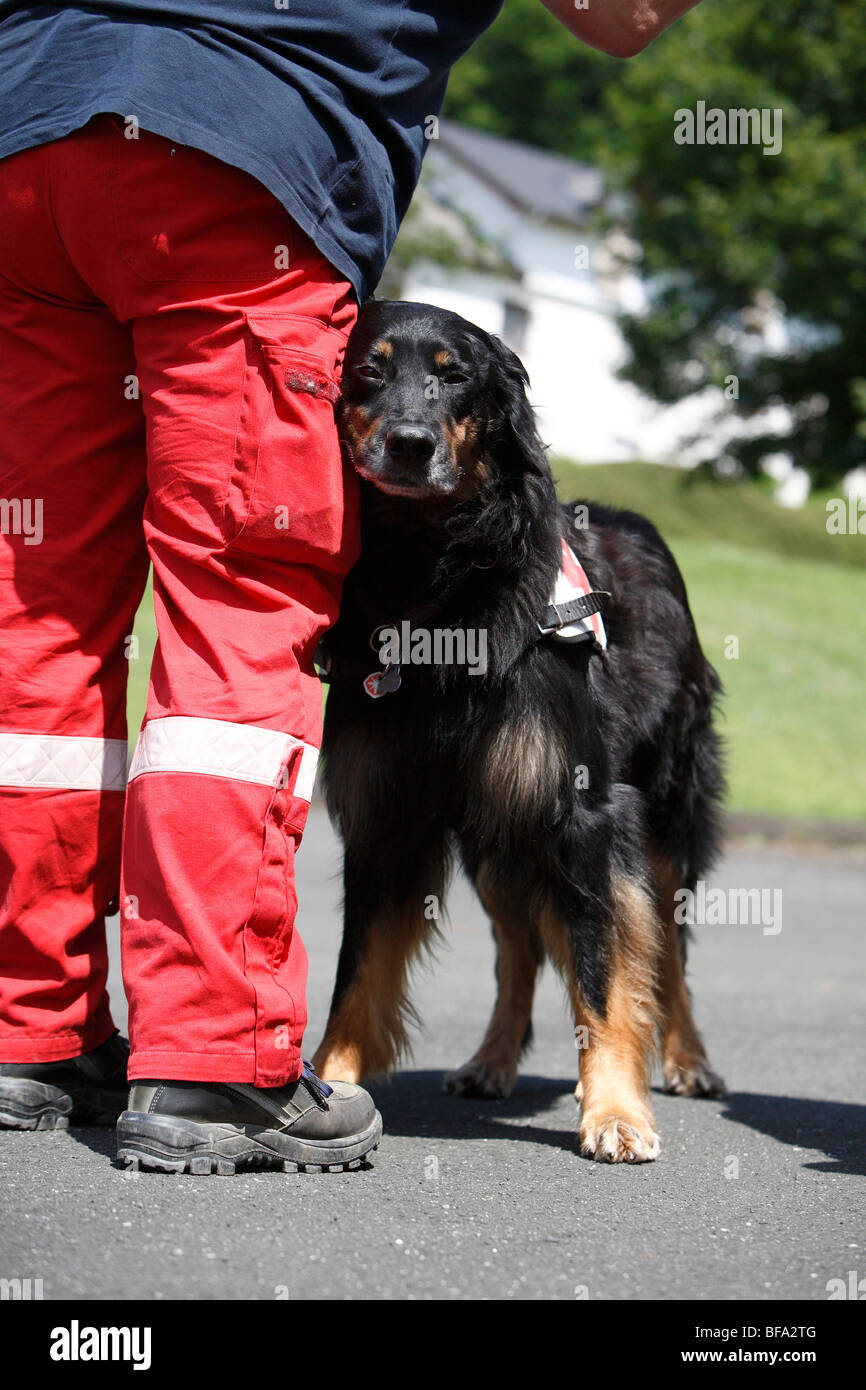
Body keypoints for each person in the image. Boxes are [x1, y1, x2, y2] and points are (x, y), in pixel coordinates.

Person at [0, 0, 702, 1172]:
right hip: (233, 147)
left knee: (36, 611)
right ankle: (212, 1063)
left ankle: (28, 1034)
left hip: (26, 134)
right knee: (236, 599)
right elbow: (617, 16)